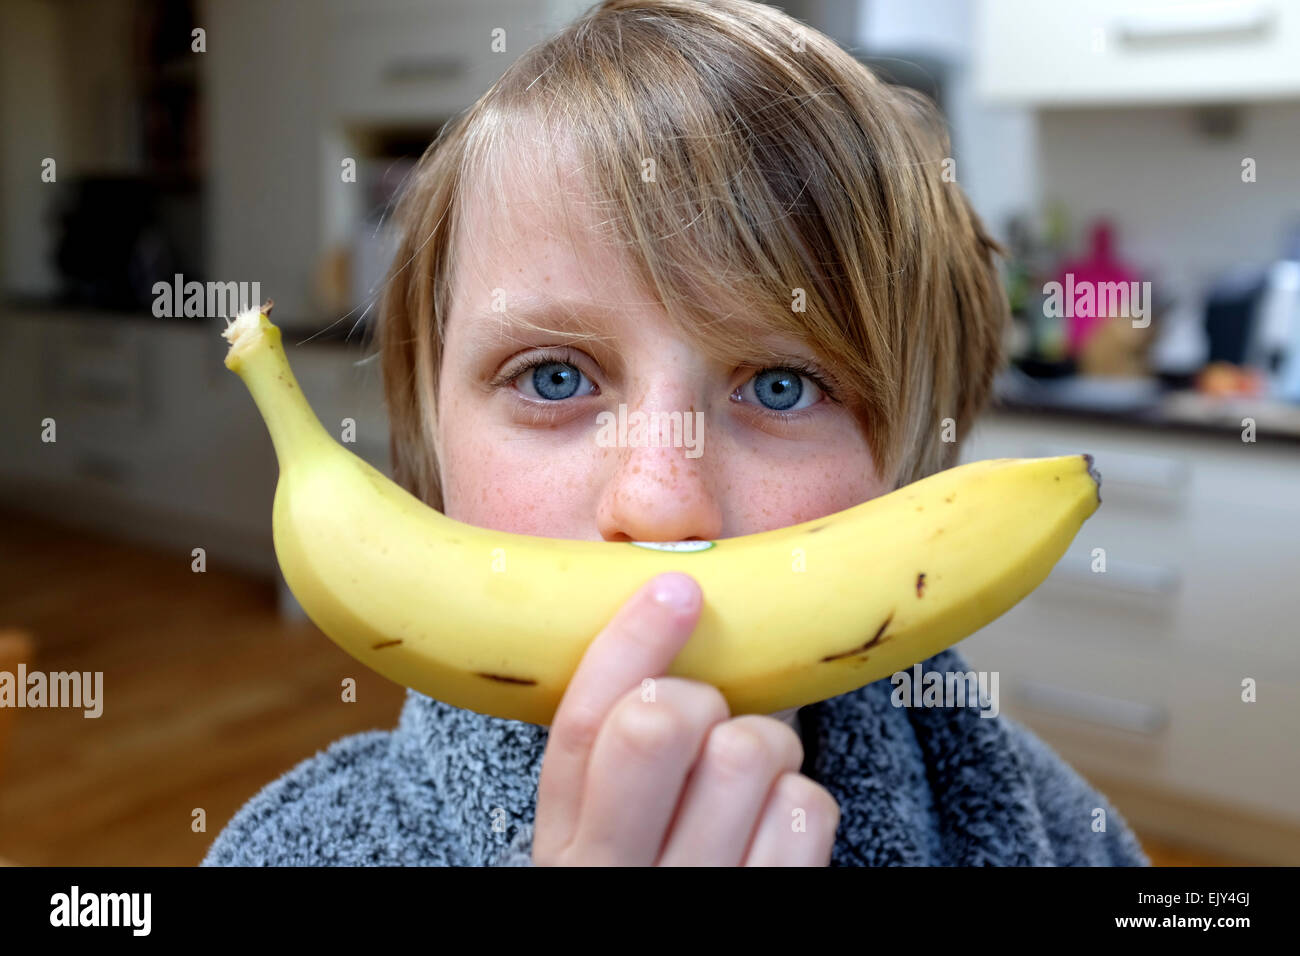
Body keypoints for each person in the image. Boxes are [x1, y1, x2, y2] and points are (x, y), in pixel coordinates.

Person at [202, 0, 1149, 867]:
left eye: (781, 386)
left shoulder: (1047, 824)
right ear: (428, 444)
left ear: (918, 477)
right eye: (554, 377)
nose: (660, 501)